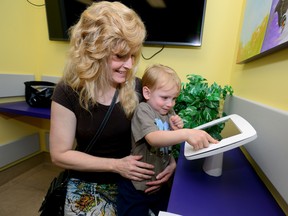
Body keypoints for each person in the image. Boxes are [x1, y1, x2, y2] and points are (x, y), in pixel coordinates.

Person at [49, 2, 176, 215]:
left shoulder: (137, 87)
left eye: (133, 55)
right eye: (119, 56)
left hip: (134, 183)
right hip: (89, 184)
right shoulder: (67, 92)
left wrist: (169, 162)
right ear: (94, 52)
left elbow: (156, 131)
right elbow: (59, 155)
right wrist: (117, 165)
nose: (128, 65)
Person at [117, 64, 219, 216]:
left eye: (174, 99)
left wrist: (176, 129)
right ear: (147, 93)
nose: (170, 104)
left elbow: (170, 141)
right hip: (136, 185)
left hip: (158, 182)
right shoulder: (143, 110)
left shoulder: (168, 111)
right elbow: (153, 138)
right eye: (165, 97)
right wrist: (184, 133)